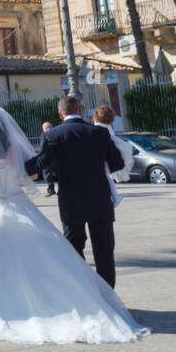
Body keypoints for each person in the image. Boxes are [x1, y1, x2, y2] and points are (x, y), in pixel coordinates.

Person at [0, 107, 150, 344]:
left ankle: (10, 300)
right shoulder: (17, 147)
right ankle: (99, 297)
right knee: (92, 252)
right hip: (37, 201)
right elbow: (33, 174)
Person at [27, 95, 128, 289]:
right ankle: (108, 296)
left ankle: (84, 292)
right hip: (99, 200)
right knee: (104, 252)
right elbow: (118, 163)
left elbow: (40, 164)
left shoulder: (53, 135)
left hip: (71, 201)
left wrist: (11, 167)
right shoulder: (99, 133)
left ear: (60, 114)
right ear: (80, 111)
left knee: (74, 250)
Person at [93, 105, 135, 207]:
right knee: (108, 176)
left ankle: (115, 195)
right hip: (109, 154)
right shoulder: (108, 128)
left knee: (106, 176)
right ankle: (115, 195)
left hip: (103, 155)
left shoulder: (98, 129)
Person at [40, 121, 55, 194]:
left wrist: (40, 155)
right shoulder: (56, 132)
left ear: (44, 129)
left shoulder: (44, 134)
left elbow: (42, 146)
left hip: (48, 158)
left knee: (46, 173)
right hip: (58, 157)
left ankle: (51, 189)